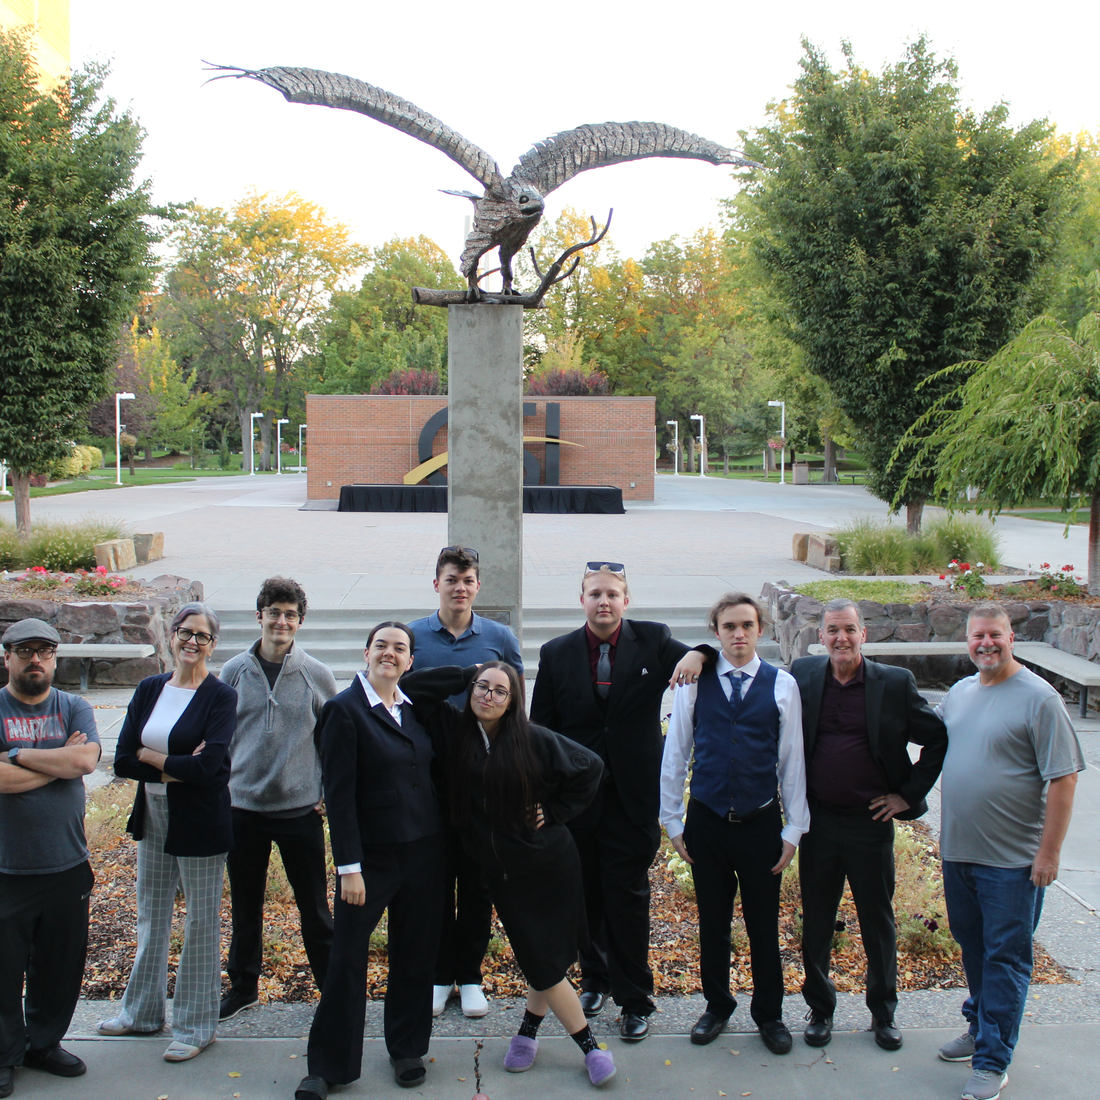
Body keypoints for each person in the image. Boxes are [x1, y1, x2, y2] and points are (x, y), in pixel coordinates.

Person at [401, 660, 615, 1087]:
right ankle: (529, 1033)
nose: (489, 696)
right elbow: (412, 687)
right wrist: (468, 674)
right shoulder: (452, 729)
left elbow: (590, 767)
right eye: (483, 687)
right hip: (502, 873)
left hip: (549, 864)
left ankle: (589, 1044)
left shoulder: (532, 739)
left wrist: (554, 811)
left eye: (501, 691)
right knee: (543, 959)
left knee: (545, 961)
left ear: (514, 700)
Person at [530, 561, 704, 1041]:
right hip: (577, 802)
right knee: (584, 897)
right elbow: (540, 729)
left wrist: (701, 653)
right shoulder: (556, 653)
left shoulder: (653, 640)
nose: (603, 602)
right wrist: (546, 799)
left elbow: (701, 657)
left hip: (632, 799)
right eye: (594, 594)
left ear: (626, 601)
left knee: (627, 900)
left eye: (612, 594)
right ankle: (595, 979)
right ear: (581, 599)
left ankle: (635, 1000)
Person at [935, 604, 1083, 1100]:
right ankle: (979, 1027)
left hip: (1014, 863)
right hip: (960, 853)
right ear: (968, 640)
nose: (986, 644)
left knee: (1006, 958)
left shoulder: (1040, 699)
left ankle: (993, 1060)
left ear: (1012, 637)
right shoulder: (959, 694)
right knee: (974, 947)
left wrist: (1049, 855)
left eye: (994, 635)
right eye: (977, 636)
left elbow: (1063, 779)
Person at [789, 598, 947, 1051]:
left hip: (869, 823)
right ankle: (820, 1009)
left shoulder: (895, 684)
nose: (841, 638)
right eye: (833, 630)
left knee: (877, 921)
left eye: (850, 630)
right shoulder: (803, 675)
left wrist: (907, 795)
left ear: (865, 634)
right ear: (820, 636)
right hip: (817, 822)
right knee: (817, 919)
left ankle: (883, 1014)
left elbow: (936, 738)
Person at [295, 623, 444, 1100]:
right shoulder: (343, 711)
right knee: (346, 958)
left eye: (400, 648)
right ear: (365, 652)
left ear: (410, 661)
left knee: (415, 953)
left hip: (425, 851)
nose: (390, 654)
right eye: (381, 645)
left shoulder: (415, 710)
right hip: (371, 860)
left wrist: (481, 670)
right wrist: (349, 867)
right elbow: (338, 797)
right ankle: (328, 1065)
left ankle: (407, 1048)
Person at [661, 593, 808, 1053]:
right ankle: (717, 1006)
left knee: (764, 923)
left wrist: (793, 828)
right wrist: (672, 818)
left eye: (747, 625)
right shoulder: (693, 683)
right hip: (706, 820)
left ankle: (769, 1014)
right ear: (717, 632)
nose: (739, 634)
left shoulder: (782, 685)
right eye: (729, 626)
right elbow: (676, 752)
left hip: (760, 822)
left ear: (760, 629)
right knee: (713, 922)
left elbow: (792, 762)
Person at [99, 602, 237, 1063]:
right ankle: (141, 1013)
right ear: (171, 635)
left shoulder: (220, 696)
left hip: (200, 818)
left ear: (213, 645)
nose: (192, 642)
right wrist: (178, 767)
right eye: (185, 632)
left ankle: (197, 1026)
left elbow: (211, 768)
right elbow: (120, 760)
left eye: (202, 635)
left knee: (200, 920)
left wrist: (153, 758)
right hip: (153, 813)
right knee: (151, 914)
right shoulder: (149, 688)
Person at [407, 546, 522, 1019]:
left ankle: (470, 975)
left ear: (478, 586)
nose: (460, 587)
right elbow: (404, 693)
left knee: (477, 883)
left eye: (468, 579)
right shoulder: (411, 636)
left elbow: (517, 706)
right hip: (427, 779)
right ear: (436, 583)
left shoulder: (498, 637)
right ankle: (439, 974)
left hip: (484, 783)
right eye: (451, 578)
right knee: (435, 883)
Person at [219, 577, 337, 1020]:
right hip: (243, 810)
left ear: (300, 621)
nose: (281, 621)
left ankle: (332, 989)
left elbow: (335, 738)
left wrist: (326, 792)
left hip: (299, 811)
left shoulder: (316, 674)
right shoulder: (232, 672)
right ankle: (243, 986)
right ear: (260, 616)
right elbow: (220, 737)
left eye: (290, 614)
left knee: (315, 908)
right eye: (274, 612)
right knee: (246, 907)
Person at [0, 619, 100, 1098]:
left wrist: (14, 755)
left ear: (55, 658)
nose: (34, 659)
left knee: (59, 968)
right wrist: (52, 759)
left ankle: (43, 1044)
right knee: (2, 968)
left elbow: (84, 762)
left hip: (66, 864)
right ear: (7, 657)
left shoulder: (73, 705)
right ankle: (4, 1054)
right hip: (6, 868)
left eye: (44, 651)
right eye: (24, 651)